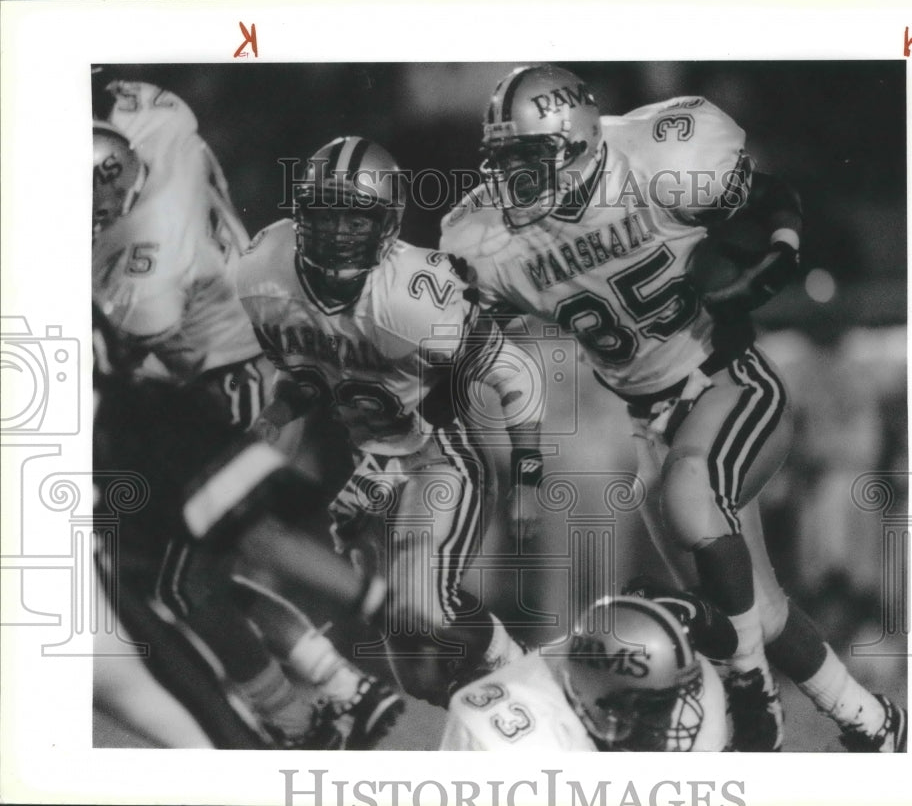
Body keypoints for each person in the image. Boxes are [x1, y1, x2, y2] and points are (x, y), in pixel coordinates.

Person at [440, 64, 906, 752]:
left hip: (728, 379)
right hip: (650, 421)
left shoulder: (657, 157)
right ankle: (873, 722)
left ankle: (753, 698)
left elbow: (772, 198)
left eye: (528, 161)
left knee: (694, 497)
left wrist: (772, 265)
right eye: (505, 163)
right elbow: (457, 327)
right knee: (754, 610)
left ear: (575, 143)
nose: (512, 182)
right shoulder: (490, 239)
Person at [92, 80, 400, 748]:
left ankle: (321, 697)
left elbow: (135, 343)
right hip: (234, 360)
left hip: (215, 382)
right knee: (188, 573)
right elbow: (141, 109)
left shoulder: (144, 254)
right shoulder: (155, 119)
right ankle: (337, 685)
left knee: (183, 577)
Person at [238, 135, 545, 707]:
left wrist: (528, 473)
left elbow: (516, 373)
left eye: (354, 217)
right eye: (324, 213)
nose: (335, 231)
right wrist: (278, 411)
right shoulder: (265, 270)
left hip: (438, 458)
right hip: (370, 462)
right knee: (424, 677)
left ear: (387, 221)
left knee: (423, 607)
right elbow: (312, 375)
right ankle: (509, 729)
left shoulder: (411, 293)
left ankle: (529, 675)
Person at [441, 586, 734, 751]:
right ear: (599, 701)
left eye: (668, 700)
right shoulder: (517, 742)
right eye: (653, 707)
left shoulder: (684, 684)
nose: (668, 720)